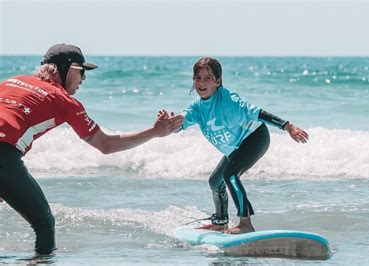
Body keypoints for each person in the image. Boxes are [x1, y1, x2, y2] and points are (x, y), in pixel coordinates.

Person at [0, 43, 183, 255]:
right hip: (4, 155)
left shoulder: (11, 81)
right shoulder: (65, 101)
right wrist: (154, 132)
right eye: (81, 71)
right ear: (66, 68)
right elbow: (106, 144)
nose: (84, 79)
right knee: (44, 224)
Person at [180, 57, 309, 234]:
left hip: (255, 137)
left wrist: (287, 126)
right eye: (197, 78)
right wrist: (165, 123)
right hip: (235, 147)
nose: (201, 82)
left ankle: (246, 224)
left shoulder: (228, 100)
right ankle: (220, 222)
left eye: (207, 78)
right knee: (215, 181)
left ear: (218, 81)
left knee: (230, 174)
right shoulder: (196, 108)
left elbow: (257, 113)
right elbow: (178, 124)